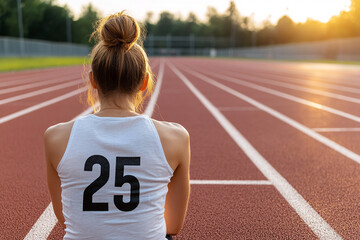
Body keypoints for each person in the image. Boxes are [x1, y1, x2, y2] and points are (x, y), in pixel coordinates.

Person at [44, 11, 190, 240]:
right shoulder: (176, 137)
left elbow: (64, 219)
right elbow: (173, 226)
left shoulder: (55, 137)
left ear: (93, 80)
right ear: (144, 82)